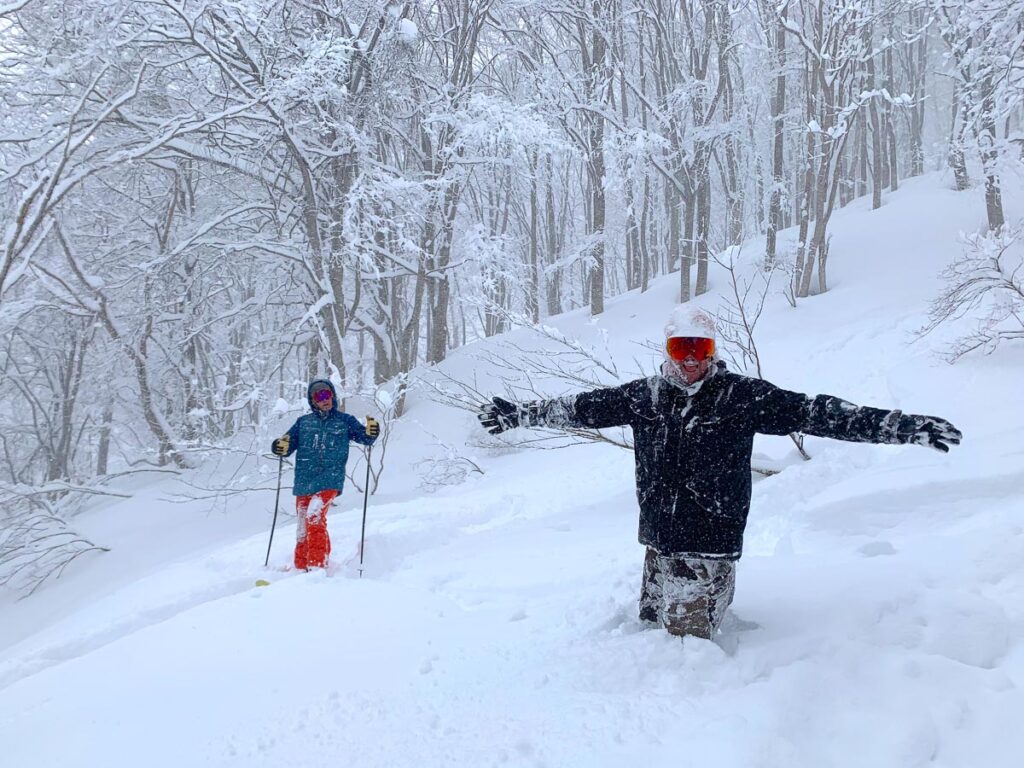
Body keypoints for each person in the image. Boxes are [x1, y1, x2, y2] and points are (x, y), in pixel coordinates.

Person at [477, 309, 962, 640]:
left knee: (685, 649)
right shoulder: (644, 396)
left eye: (700, 347)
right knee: (650, 630)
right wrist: (521, 414)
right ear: (666, 350)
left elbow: (815, 412)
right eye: (680, 347)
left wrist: (898, 426)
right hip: (659, 540)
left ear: (712, 350)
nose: (690, 359)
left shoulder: (740, 396)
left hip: (710, 540)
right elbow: (582, 408)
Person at [271, 379, 379, 571]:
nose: (324, 400)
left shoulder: (344, 421)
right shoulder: (303, 423)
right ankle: (301, 566)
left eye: (327, 394)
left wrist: (371, 432)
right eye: (319, 396)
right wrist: (279, 446)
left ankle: (316, 567)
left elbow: (364, 437)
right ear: (313, 401)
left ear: (332, 396)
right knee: (303, 525)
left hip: (330, 478)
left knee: (314, 515)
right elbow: (286, 445)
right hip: (304, 480)